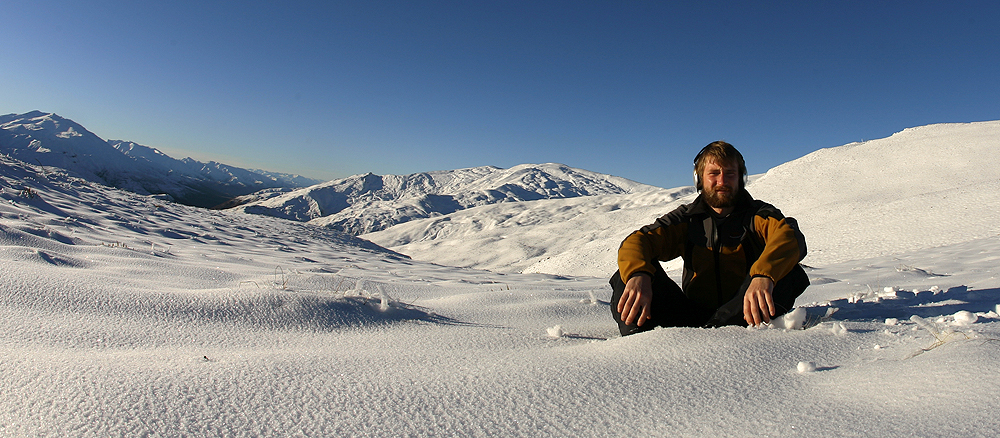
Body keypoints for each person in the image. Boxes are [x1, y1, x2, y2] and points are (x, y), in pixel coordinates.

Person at [610, 141, 809, 336]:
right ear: (700, 179)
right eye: (714, 173)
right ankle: (640, 345)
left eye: (730, 173)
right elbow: (637, 241)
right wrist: (639, 274)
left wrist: (763, 275)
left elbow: (789, 236)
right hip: (690, 317)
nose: (722, 181)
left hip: (744, 313)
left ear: (741, 178)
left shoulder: (759, 214)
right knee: (627, 274)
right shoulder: (686, 218)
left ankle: (715, 335)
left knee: (788, 272)